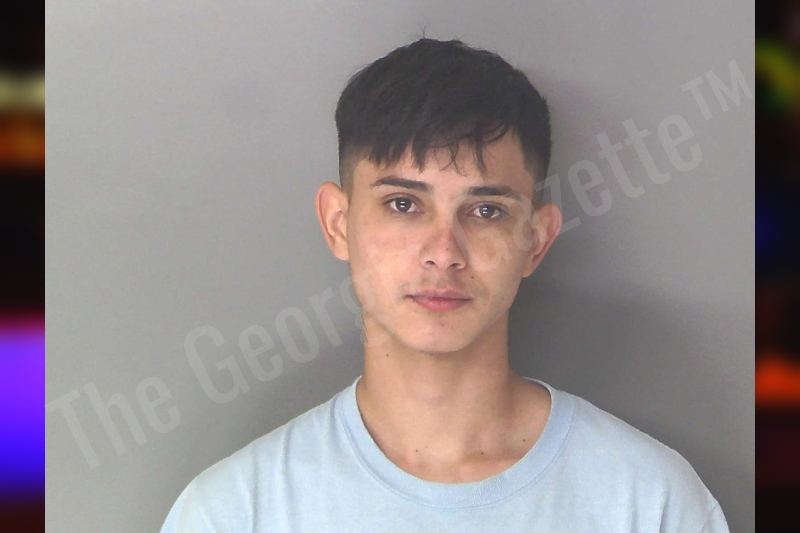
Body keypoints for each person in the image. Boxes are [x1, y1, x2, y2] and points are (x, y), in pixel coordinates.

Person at [160, 38, 729, 532]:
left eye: (486, 211)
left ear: (536, 240)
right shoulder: (235, 512)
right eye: (402, 204)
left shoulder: (649, 503)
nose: (443, 253)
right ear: (338, 223)